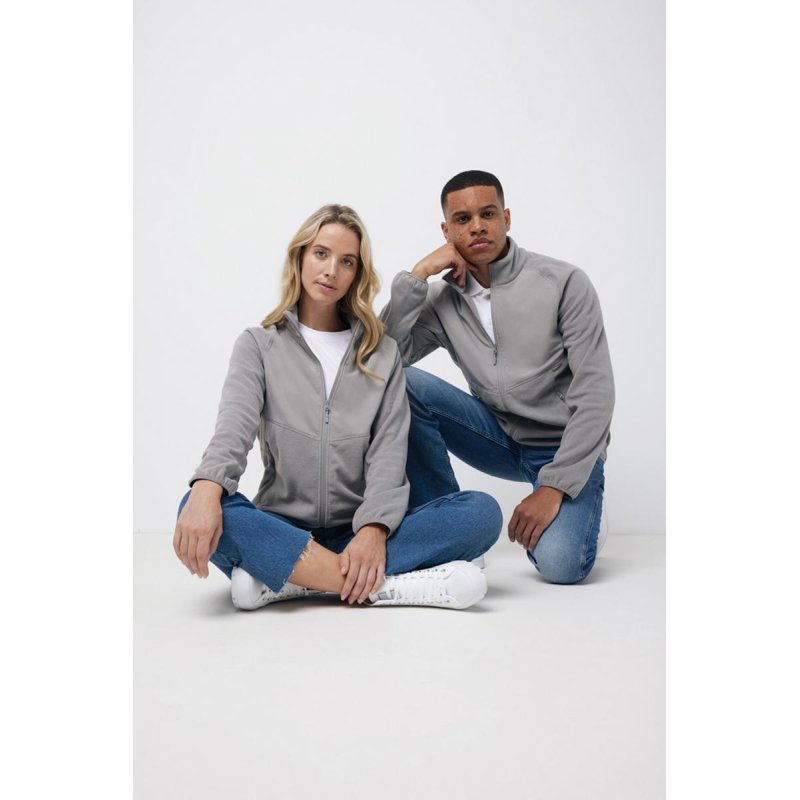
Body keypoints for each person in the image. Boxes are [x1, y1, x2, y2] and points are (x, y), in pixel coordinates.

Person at [173, 204, 501, 610]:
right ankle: (383, 586)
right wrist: (207, 488)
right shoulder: (258, 345)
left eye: (347, 262)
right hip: (282, 525)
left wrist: (374, 529)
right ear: (300, 258)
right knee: (196, 504)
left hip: (359, 533)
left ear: (357, 275)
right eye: (321, 254)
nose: (331, 271)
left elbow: (388, 454)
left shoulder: (380, 353)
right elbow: (232, 431)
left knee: (480, 513)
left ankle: (290, 579)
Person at [382, 171, 614, 585]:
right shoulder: (441, 301)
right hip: (498, 438)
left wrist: (555, 487)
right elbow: (380, 362)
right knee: (402, 383)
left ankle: (582, 509)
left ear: (506, 218)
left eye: (487, 214)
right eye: (463, 219)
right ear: (446, 231)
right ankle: (448, 529)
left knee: (561, 566)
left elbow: (596, 394)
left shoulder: (563, 282)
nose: (477, 227)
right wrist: (416, 278)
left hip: (563, 446)